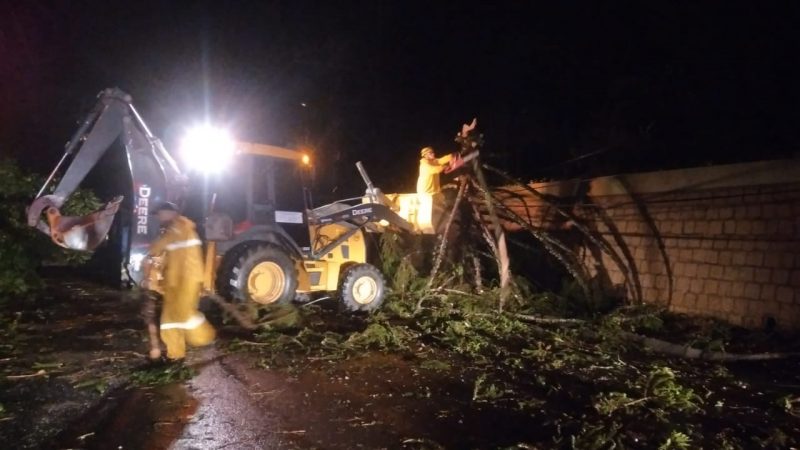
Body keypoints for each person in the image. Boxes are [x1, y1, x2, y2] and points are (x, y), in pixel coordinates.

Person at [143, 202, 215, 361]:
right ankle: (175, 355)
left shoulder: (181, 228)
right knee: (168, 320)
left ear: (170, 213)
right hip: (174, 283)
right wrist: (154, 276)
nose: (158, 217)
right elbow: (162, 255)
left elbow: (159, 249)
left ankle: (206, 338)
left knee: (184, 315)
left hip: (187, 281)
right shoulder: (172, 231)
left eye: (160, 213)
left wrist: (150, 259)